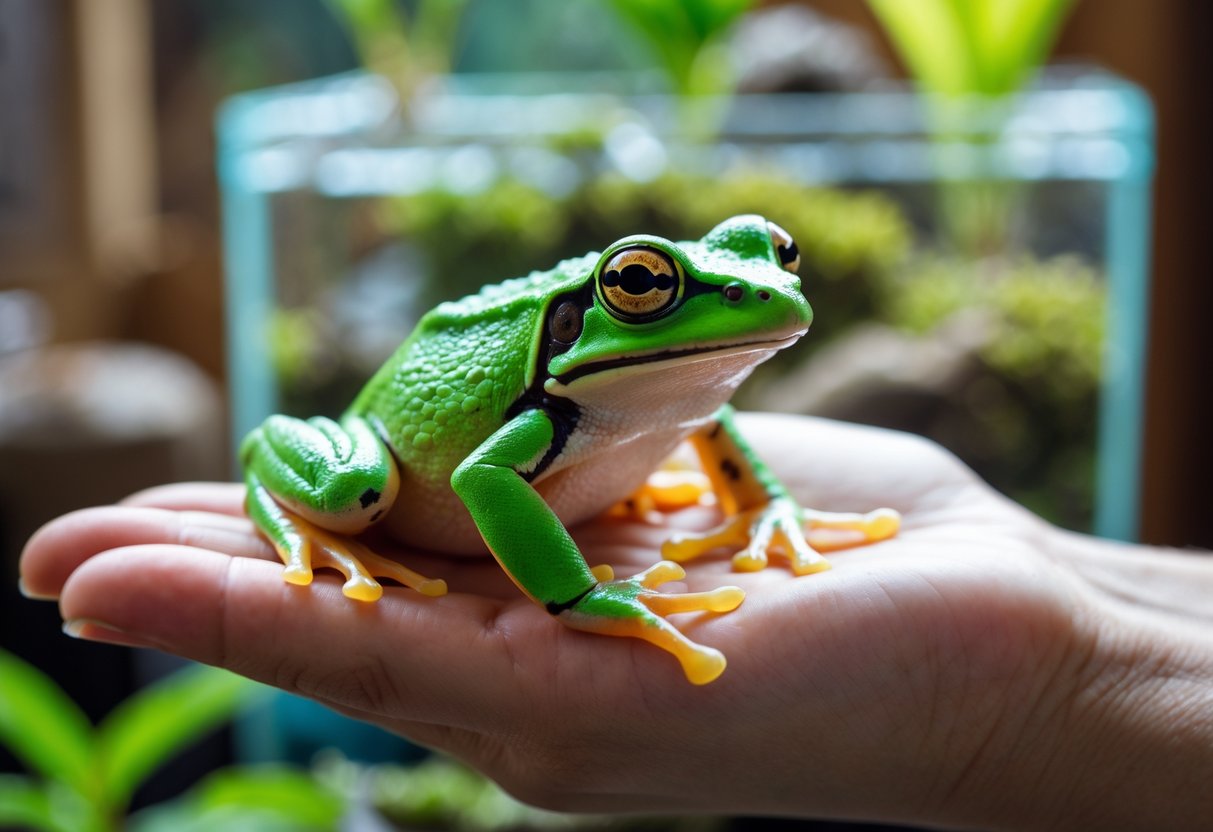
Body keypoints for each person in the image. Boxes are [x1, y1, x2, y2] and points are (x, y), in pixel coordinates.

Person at [18, 414, 1213, 830]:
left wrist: (770, 507)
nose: (764, 294)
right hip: (389, 462)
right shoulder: (551, 400)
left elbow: (702, 418)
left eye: (771, 261)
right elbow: (488, 482)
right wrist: (581, 598)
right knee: (354, 492)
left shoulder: (682, 392)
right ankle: (303, 518)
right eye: (647, 289)